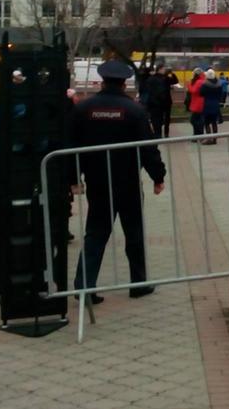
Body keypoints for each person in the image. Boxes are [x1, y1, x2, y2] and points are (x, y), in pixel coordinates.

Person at [69, 60, 167, 303]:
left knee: (96, 233)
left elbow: (71, 145)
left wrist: (73, 178)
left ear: (102, 81)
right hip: (128, 182)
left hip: (98, 180)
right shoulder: (135, 111)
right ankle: (139, 283)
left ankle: (84, 287)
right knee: (133, 232)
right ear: (125, 83)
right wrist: (158, 176)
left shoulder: (84, 109)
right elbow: (147, 147)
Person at [199, 69, 224, 143]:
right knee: (214, 123)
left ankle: (209, 138)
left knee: (206, 123)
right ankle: (215, 139)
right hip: (215, 105)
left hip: (207, 104)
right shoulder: (219, 84)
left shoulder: (205, 84)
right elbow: (221, 95)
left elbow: (201, 93)